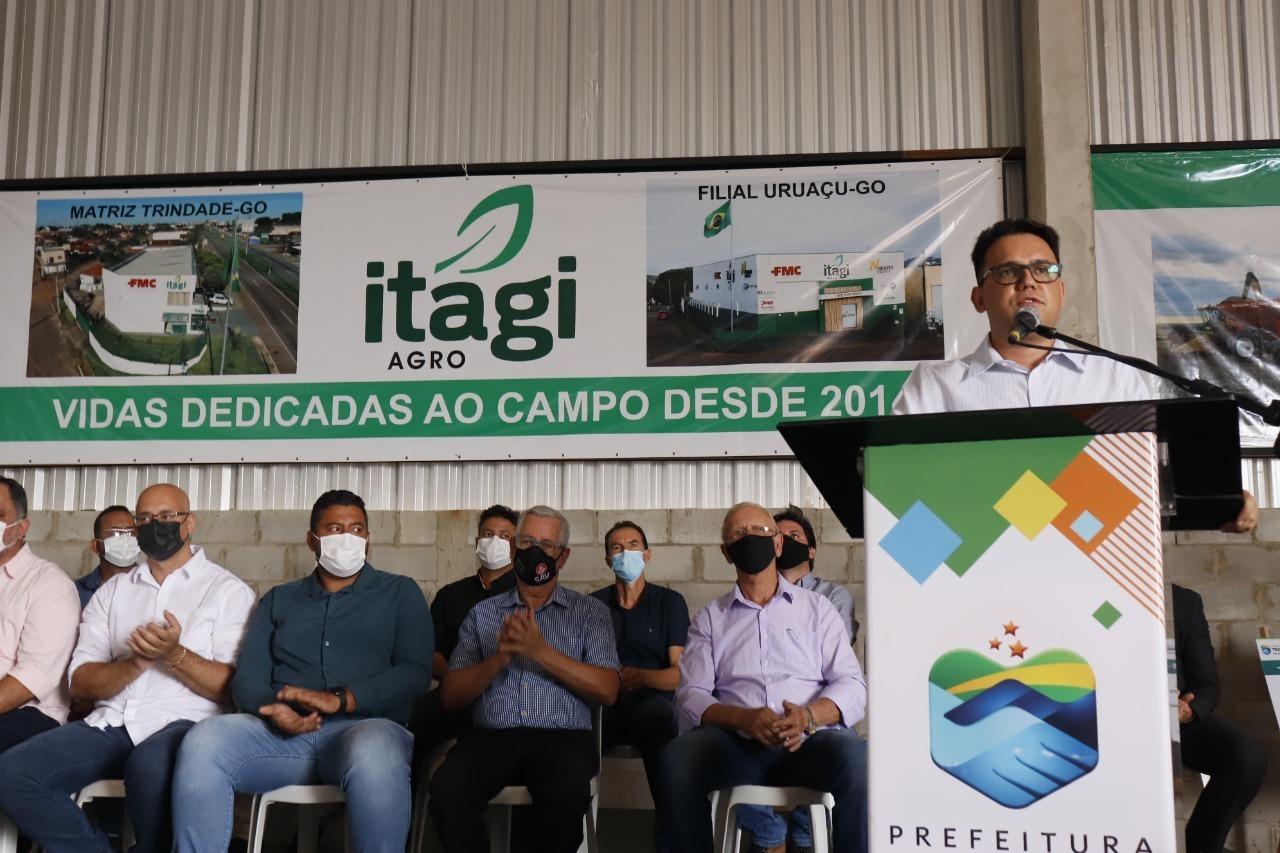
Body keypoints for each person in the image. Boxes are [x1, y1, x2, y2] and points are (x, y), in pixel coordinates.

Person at [893, 217, 1258, 534]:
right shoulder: (934, 387)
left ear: (1062, 291)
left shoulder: (1116, 378)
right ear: (979, 298)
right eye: (1008, 272)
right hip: (978, 567)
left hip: (1099, 567)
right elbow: (899, 496)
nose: (1028, 282)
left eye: (1043, 270)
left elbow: (1147, 483)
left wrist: (1218, 501)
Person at [171, 489, 432, 853]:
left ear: (368, 538)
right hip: (280, 738)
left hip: (365, 730)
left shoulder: (400, 593)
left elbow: (415, 672)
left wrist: (341, 700)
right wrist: (275, 711)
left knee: (374, 751)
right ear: (312, 540)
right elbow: (248, 679)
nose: (348, 537)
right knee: (205, 739)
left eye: (357, 529)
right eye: (335, 529)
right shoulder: (279, 600)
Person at [0, 483, 255, 853]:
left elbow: (233, 690)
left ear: (189, 523)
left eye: (167, 516)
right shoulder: (114, 591)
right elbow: (81, 684)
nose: (155, 525)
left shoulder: (227, 591)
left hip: (184, 724)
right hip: (110, 725)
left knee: (149, 767)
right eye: (145, 519)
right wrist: (135, 663)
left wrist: (174, 654)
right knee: (13, 774)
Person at [660, 502, 868, 853]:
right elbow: (690, 694)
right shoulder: (710, 618)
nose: (750, 538)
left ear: (777, 543)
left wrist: (807, 716)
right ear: (727, 552)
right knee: (677, 758)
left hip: (809, 742)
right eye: (739, 534)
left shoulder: (818, 609)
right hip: (738, 747)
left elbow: (852, 685)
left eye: (760, 530)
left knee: (859, 759)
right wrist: (743, 719)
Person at [429, 505, 620, 853]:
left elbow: (608, 689)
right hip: (491, 740)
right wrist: (499, 658)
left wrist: (539, 652)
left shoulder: (590, 613)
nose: (535, 552)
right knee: (447, 790)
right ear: (514, 550)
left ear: (563, 557)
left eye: (547, 545)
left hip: (563, 741)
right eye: (527, 542)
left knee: (564, 794)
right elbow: (450, 696)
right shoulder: (482, 614)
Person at [736, 505, 857, 853]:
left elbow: (833, 656)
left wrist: (806, 714)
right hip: (758, 716)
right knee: (715, 744)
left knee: (848, 745)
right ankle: (768, 834)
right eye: (780, 535)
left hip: (813, 714)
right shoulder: (737, 602)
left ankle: (806, 832)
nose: (786, 542)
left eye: (795, 536)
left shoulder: (830, 599)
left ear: (811, 550)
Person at [589, 519, 689, 844]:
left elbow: (680, 675)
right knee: (573, 731)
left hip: (652, 706)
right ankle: (575, 834)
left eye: (633, 546)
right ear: (608, 559)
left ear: (647, 554)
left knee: (661, 719)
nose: (625, 553)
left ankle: (672, 838)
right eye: (617, 548)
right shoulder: (593, 606)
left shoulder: (669, 603)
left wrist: (642, 676)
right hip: (605, 707)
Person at [411, 504, 519, 753]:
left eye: (504, 536)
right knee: (414, 718)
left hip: (510, 695)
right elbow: (432, 651)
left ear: (515, 546)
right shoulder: (451, 595)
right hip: (456, 696)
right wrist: (460, 683)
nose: (495, 542)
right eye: (488, 534)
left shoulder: (526, 596)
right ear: (477, 541)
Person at [1173, 583, 1266, 853]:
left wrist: (1188, 710)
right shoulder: (1086, 592)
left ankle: (1200, 848)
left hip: (1175, 720)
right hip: (1103, 717)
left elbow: (1206, 686)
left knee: (1247, 758)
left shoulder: (1183, 601)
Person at [0, 476, 80, 753]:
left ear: (21, 528)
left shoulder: (50, 585)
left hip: (28, 714)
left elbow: (31, 679)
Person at [76, 505, 139, 608]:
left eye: (130, 533)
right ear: (95, 546)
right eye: (114, 533)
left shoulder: (154, 585)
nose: (125, 540)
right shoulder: (77, 592)